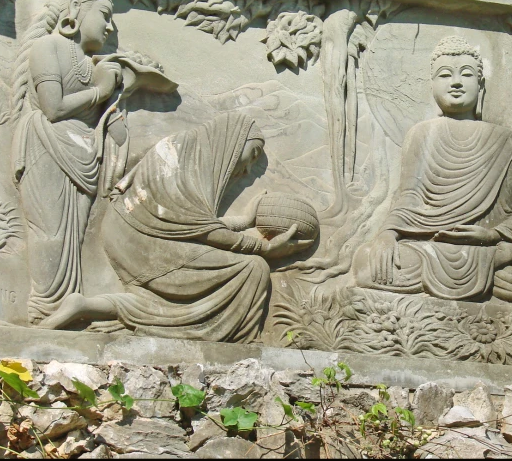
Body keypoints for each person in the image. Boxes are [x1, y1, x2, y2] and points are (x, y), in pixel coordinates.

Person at [352, 36, 512, 308]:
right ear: (432, 86)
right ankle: (477, 282)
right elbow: (409, 198)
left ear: (481, 84)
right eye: (445, 75)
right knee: (366, 262)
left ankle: (481, 274)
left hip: (494, 253)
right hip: (431, 249)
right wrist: (387, 235)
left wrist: (493, 235)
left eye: (466, 74)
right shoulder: (421, 134)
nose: (456, 82)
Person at [39, 112, 313, 342]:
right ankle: (225, 346)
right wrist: (264, 248)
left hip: (137, 236)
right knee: (253, 269)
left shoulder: (186, 152)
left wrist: (245, 221)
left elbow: (189, 225)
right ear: (232, 141)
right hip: (141, 242)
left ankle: (84, 306)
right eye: (252, 155)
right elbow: (200, 229)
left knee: (159, 303)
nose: (248, 169)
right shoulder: (181, 157)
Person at [12, 0, 127, 324]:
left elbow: (108, 124)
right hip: (47, 143)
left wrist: (118, 94)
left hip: (82, 153)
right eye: (105, 16)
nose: (109, 27)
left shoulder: (92, 63)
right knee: (50, 232)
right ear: (75, 9)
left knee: (73, 238)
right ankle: (42, 310)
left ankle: (65, 311)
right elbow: (53, 107)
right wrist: (100, 90)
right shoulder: (48, 47)